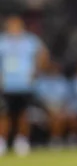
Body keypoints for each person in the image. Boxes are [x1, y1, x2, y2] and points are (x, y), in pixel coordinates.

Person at [0, 15, 47, 156]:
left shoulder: (30, 40)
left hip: (25, 84)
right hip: (6, 85)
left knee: (24, 114)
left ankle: (22, 140)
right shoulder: (2, 41)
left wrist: (36, 71)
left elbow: (43, 54)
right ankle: (2, 140)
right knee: (3, 114)